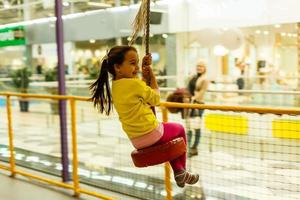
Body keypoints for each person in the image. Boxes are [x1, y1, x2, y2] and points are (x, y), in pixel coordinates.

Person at [90, 45, 199, 188]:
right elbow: (155, 99)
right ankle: (181, 170)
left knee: (170, 143)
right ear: (118, 67)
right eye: (132, 63)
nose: (136, 67)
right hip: (152, 133)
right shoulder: (134, 84)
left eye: (137, 63)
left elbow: (140, 92)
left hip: (136, 140)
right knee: (179, 129)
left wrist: (143, 69)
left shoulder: (115, 86)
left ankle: (179, 172)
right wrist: (151, 75)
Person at [186, 60, 209, 157]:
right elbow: (187, 88)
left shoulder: (205, 79)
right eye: (198, 66)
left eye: (201, 66)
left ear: (204, 68)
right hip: (190, 104)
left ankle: (194, 148)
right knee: (189, 127)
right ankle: (187, 147)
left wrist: (193, 98)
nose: (199, 68)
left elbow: (202, 92)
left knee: (197, 127)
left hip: (198, 105)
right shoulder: (193, 77)